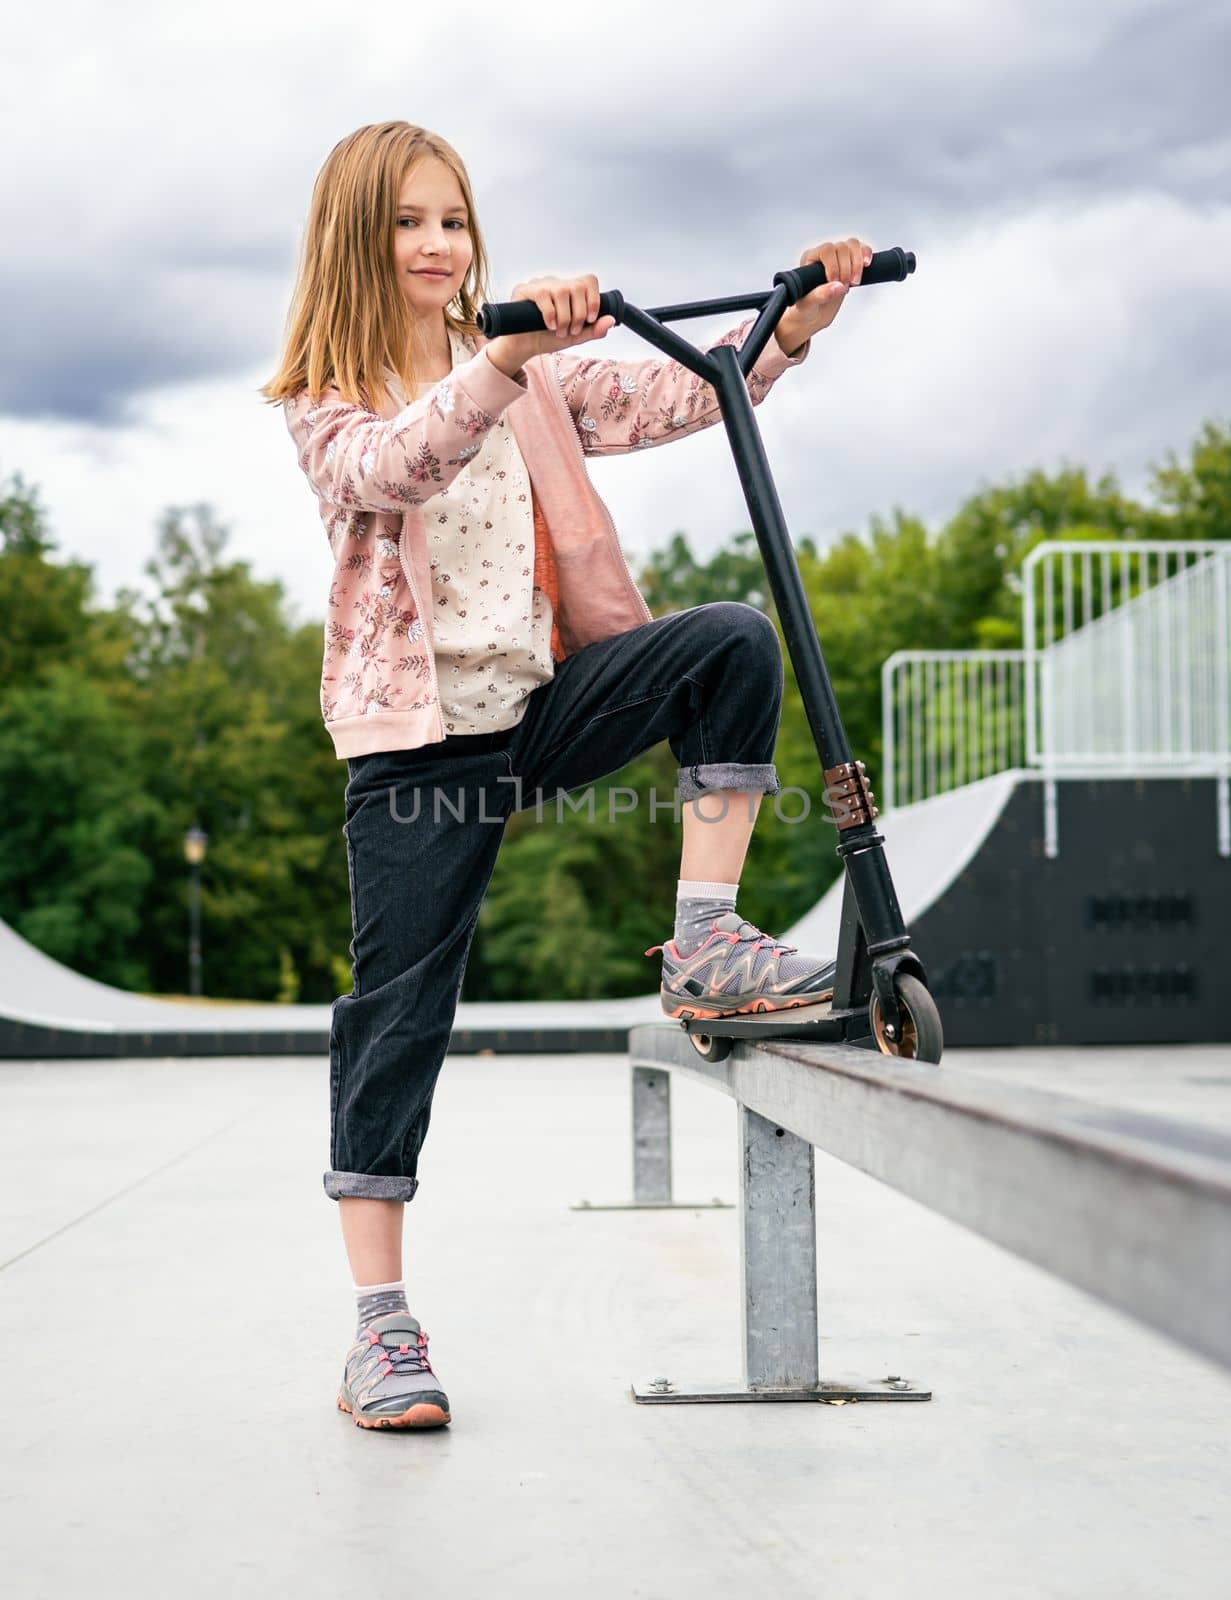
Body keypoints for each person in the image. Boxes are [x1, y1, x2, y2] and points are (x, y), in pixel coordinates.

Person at [262, 120, 872, 1431]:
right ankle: (380, 1330)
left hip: (541, 707)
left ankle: (705, 943)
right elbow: (394, 467)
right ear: (358, 240)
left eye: (456, 221)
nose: (439, 245)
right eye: (410, 223)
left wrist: (795, 322)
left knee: (725, 645)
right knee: (400, 1013)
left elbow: (683, 391)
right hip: (418, 751)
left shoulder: (532, 374)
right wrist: (501, 356)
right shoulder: (329, 390)